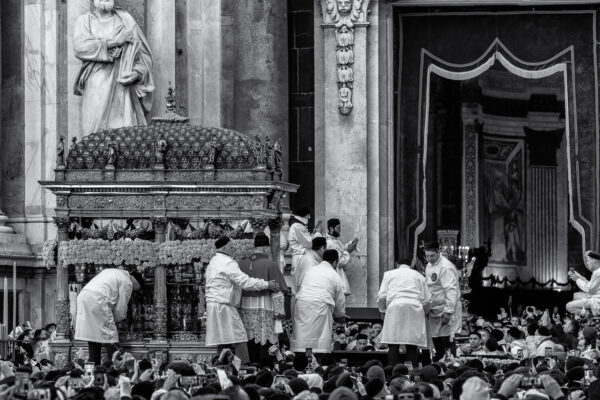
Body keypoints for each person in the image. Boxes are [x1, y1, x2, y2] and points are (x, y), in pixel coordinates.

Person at [73, 0, 154, 134]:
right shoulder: (84, 21)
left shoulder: (126, 21)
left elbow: (143, 58)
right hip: (96, 88)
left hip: (123, 91)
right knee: (93, 138)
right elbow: (80, 48)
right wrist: (114, 42)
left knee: (124, 139)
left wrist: (137, 73)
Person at [205, 236, 279, 354]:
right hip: (224, 304)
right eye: (231, 247)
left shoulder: (213, 261)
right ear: (224, 248)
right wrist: (266, 285)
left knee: (223, 338)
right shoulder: (228, 262)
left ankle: (221, 363)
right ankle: (243, 365)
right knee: (240, 335)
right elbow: (244, 281)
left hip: (213, 303)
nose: (234, 249)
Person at [74, 268, 144, 365]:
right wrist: (117, 321)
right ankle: (116, 366)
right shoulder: (127, 281)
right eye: (135, 287)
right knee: (111, 335)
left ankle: (95, 365)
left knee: (93, 335)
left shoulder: (111, 271)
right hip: (98, 299)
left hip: (83, 296)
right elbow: (121, 307)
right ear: (136, 282)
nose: (133, 289)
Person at [239, 233, 289, 364]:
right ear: (266, 247)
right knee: (265, 340)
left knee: (249, 338)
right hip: (265, 306)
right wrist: (279, 317)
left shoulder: (242, 263)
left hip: (244, 308)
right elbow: (278, 292)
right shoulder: (270, 264)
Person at [291, 250, 346, 355]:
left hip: (302, 304)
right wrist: (340, 315)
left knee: (302, 339)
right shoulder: (334, 275)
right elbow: (340, 301)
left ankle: (301, 362)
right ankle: (319, 364)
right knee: (319, 346)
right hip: (320, 306)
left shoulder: (311, 270)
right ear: (335, 262)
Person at [377, 262, 431, 365]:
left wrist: (382, 310)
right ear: (410, 266)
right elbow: (428, 299)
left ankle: (393, 372)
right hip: (415, 307)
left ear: (397, 265)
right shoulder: (419, 275)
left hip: (395, 306)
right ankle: (410, 375)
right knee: (412, 345)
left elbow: (382, 296)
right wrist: (424, 312)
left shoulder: (389, 274)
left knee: (393, 343)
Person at [424, 241, 461, 361]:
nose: (429, 259)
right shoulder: (429, 265)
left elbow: (451, 290)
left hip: (445, 307)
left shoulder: (446, 267)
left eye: (432, 256)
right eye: (427, 256)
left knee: (447, 341)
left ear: (438, 252)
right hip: (434, 308)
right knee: (436, 339)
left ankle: (451, 366)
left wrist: (448, 311)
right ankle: (438, 365)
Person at [288, 207, 322, 285]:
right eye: (308, 215)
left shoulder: (299, 226)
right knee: (303, 284)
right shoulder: (297, 226)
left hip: (304, 257)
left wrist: (314, 234)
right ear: (303, 215)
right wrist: (318, 233)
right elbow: (309, 243)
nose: (309, 218)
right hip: (300, 257)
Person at [325, 218, 358, 296]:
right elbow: (339, 262)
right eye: (338, 228)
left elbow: (342, 250)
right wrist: (348, 252)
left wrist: (351, 244)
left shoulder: (336, 241)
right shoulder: (329, 243)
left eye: (340, 228)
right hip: (335, 274)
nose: (340, 230)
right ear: (331, 229)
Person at [567, 251, 600, 316]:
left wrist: (577, 279)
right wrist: (579, 276)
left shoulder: (598, 273)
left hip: (597, 300)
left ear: (595, 262)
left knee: (569, 306)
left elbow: (588, 289)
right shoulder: (596, 272)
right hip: (594, 297)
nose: (587, 263)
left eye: (588, 261)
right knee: (576, 295)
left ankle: (589, 315)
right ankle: (589, 313)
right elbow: (590, 285)